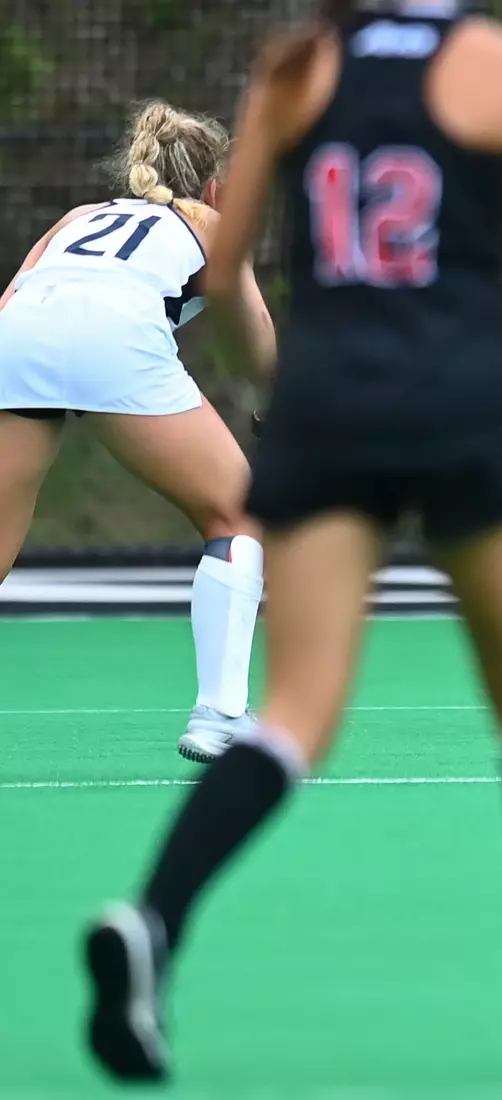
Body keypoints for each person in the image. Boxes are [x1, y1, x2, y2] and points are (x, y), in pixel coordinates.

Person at [80, 0, 502, 1083]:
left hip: (326, 417)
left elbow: (227, 274)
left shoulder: (293, 69)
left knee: (294, 712)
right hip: (461, 412)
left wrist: (279, 397)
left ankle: (153, 921)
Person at [0, 101, 273, 764]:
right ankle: (219, 716)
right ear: (212, 187)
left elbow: (13, 300)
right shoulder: (211, 222)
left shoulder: (77, 218)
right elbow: (256, 336)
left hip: (19, 339)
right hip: (114, 338)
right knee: (238, 516)